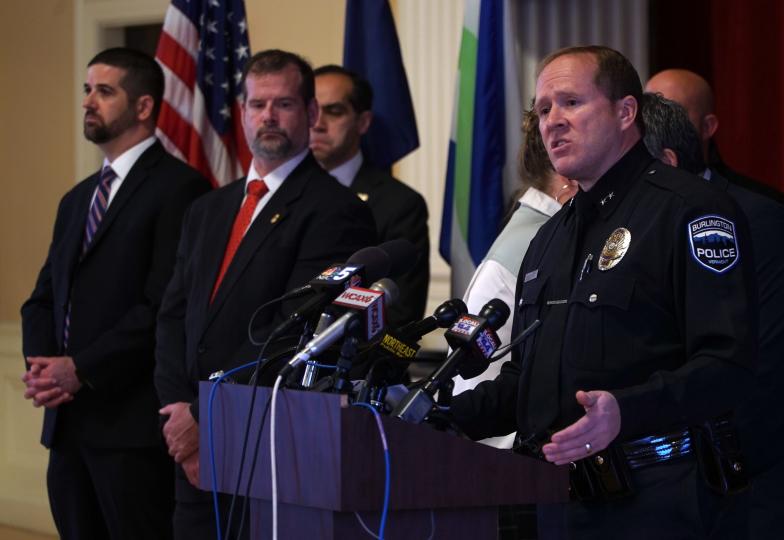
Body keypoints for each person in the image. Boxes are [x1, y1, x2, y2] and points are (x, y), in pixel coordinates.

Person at [451, 45, 758, 538]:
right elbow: (526, 383)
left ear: (625, 112)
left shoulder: (690, 211)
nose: (552, 121)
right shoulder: (548, 237)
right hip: (548, 500)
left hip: (654, 499)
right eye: (543, 109)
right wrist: (433, 414)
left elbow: (728, 365)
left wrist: (625, 410)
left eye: (571, 102)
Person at [154, 49, 377, 539]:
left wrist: (204, 418)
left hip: (264, 447)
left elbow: (291, 332)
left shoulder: (334, 210)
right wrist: (177, 413)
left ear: (311, 113)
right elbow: (173, 318)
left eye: (284, 104)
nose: (268, 117)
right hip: (188, 445)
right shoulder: (208, 209)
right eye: (257, 105)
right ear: (242, 113)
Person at [20, 47, 210, 539]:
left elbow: (162, 308)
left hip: (131, 428)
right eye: (87, 90)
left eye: (104, 91)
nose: (88, 101)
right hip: (67, 426)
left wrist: (80, 368)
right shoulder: (77, 198)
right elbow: (43, 298)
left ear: (143, 107)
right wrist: (43, 368)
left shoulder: (180, 189)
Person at [642, 91, 784, 539]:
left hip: (766, 499)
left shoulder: (760, 226)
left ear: (668, 163)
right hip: (684, 493)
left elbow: (770, 376)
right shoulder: (647, 234)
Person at [452, 109, 576, 451]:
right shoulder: (535, 241)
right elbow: (478, 389)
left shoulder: (544, 230)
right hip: (511, 461)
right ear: (570, 181)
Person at [309, 65, 429, 326]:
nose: (318, 124)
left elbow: (400, 312)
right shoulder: (286, 197)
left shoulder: (400, 204)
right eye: (312, 111)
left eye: (334, 111)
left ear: (362, 122)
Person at [646, 68, 784, 204]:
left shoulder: (758, 204)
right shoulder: (635, 197)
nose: (653, 124)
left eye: (670, 114)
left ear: (708, 126)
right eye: (648, 112)